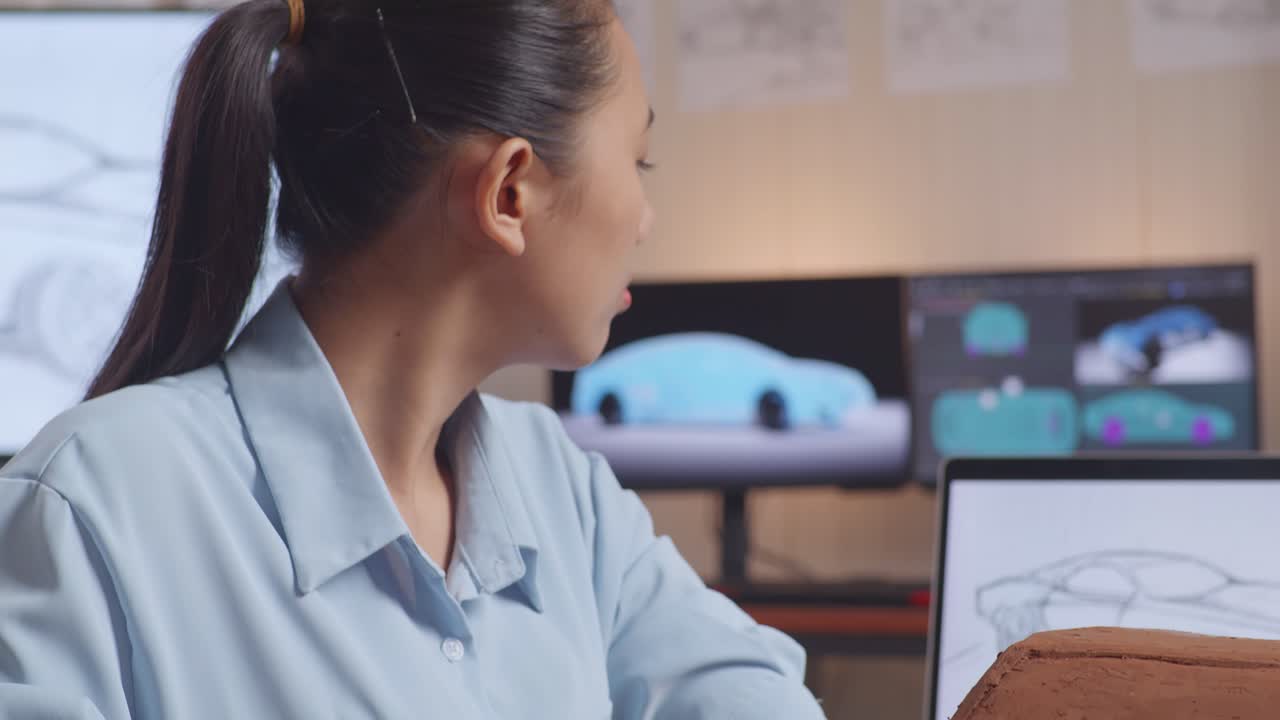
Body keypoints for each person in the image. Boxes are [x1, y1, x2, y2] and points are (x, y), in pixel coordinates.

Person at [0, 0, 826, 717]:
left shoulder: (563, 493)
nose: (645, 218)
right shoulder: (90, 506)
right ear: (509, 193)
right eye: (637, 162)